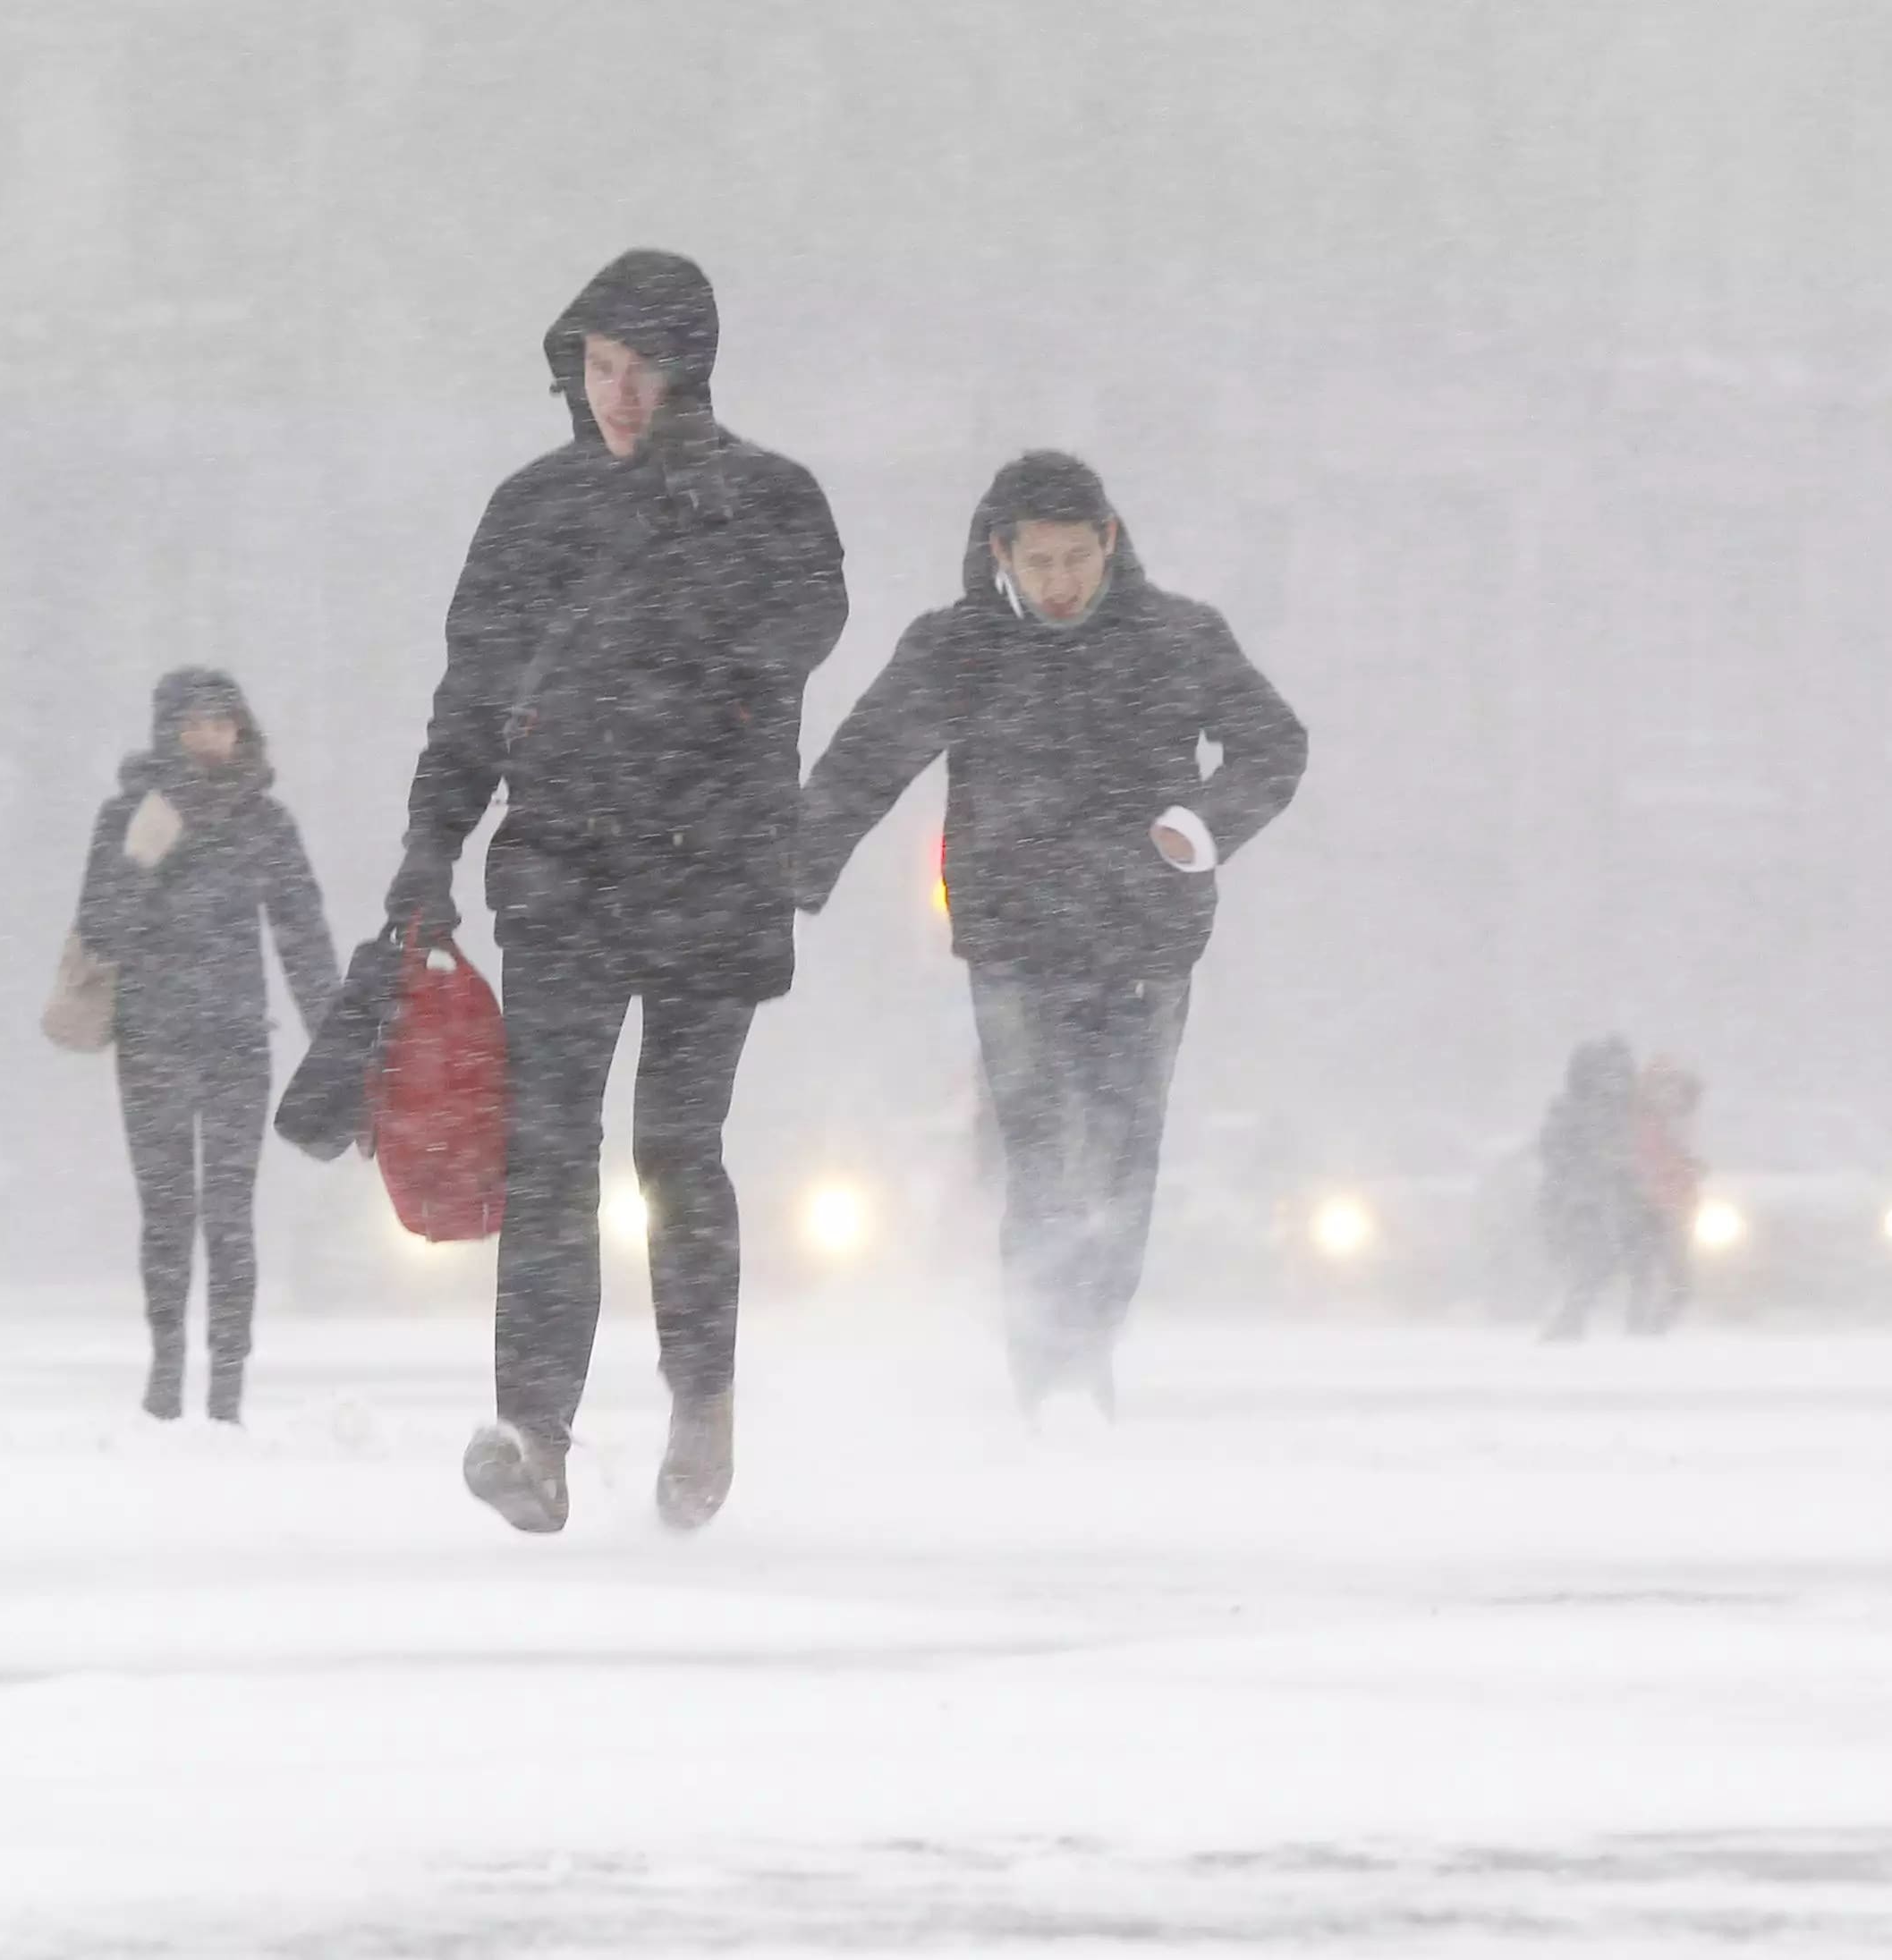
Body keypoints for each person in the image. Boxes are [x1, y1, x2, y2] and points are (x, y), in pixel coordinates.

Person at [383, 250, 848, 1532]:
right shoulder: (530, 508)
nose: (620, 394)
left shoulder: (768, 499)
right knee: (547, 1152)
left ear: (693, 372)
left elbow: (799, 632)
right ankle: (531, 1429)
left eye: (644, 369)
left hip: (713, 866)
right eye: (598, 367)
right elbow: (471, 692)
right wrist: (431, 840)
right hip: (564, 869)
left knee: (677, 1149)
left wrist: (689, 519)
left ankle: (700, 1399)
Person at [793, 451, 1306, 1413]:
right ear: (1001, 555)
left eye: (1078, 558)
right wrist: (787, 877)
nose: (1062, 582)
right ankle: (1043, 1361)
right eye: (1041, 563)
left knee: (1119, 1155)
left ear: (1109, 541)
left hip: (1144, 943)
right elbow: (861, 766)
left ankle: (1087, 1344)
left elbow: (1274, 745)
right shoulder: (958, 650)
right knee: (1037, 1157)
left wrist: (1200, 827)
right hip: (1015, 944)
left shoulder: (1176, 638)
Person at [73, 668, 335, 1424]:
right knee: (165, 1210)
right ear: (167, 732)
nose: (207, 736)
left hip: (235, 1040)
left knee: (229, 1210)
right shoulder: (128, 814)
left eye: (220, 722)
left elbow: (302, 932)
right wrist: (138, 858)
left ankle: (227, 1381)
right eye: (191, 723)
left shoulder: (264, 821)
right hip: (151, 1037)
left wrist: (336, 1037)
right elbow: (100, 932)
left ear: (240, 729)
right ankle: (165, 1367)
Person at [1536, 1039, 1642, 1342]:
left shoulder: (1606, 1114)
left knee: (1601, 1263)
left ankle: (1573, 1318)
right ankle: (1571, 1317)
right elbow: (1556, 1153)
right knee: (1595, 1261)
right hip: (1580, 1202)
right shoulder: (1573, 1113)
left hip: (1595, 1201)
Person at [1625, 1058, 1705, 1335]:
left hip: (1672, 1210)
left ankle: (1646, 1332)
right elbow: (1649, 1164)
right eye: (1666, 1087)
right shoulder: (1646, 1124)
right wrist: (1683, 1168)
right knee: (1662, 1281)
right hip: (1655, 1210)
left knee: (1661, 1281)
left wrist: (1689, 1167)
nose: (1672, 1095)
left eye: (1676, 1088)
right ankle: (1645, 1333)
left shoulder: (1673, 1123)